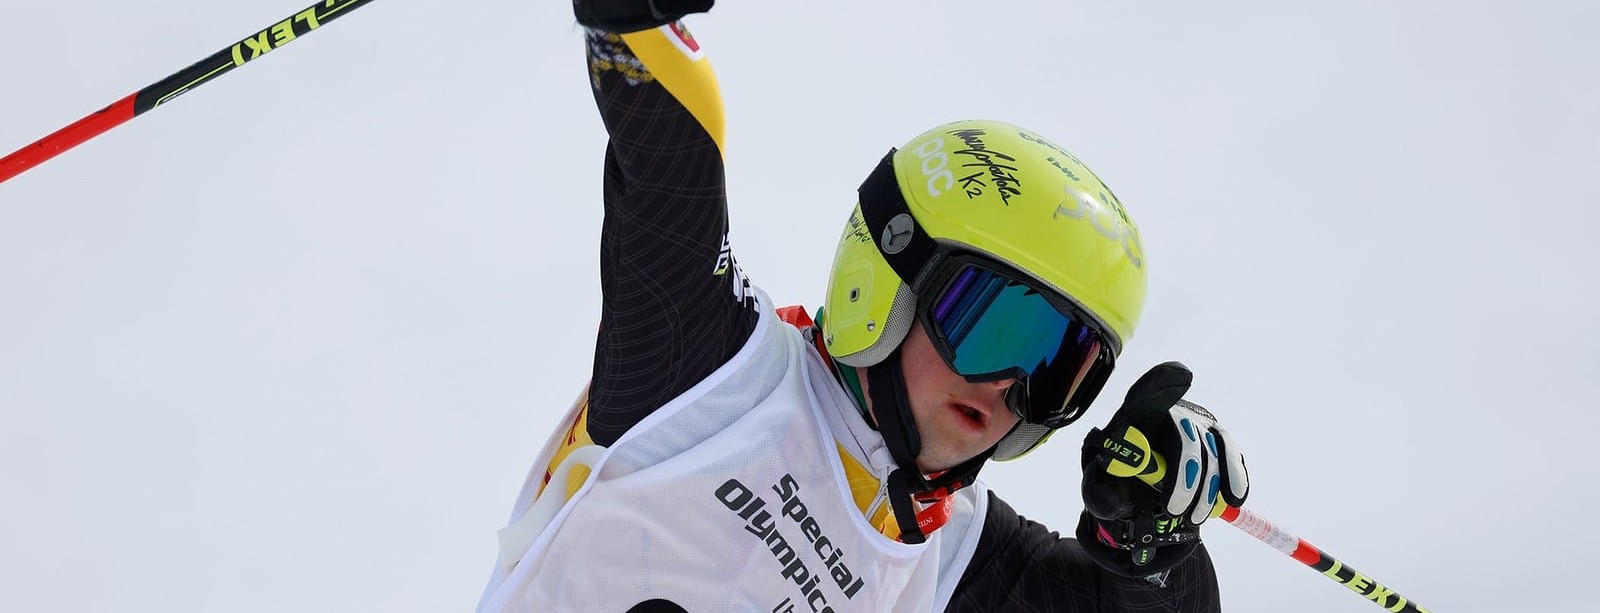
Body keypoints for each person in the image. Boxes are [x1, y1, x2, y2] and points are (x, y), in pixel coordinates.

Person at [476, 2, 1251, 611]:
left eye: (1054, 370)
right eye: (993, 328)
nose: (1006, 387)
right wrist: (634, 21)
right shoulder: (712, 367)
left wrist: (1152, 540)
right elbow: (671, 164)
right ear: (892, 278)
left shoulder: (944, 550)